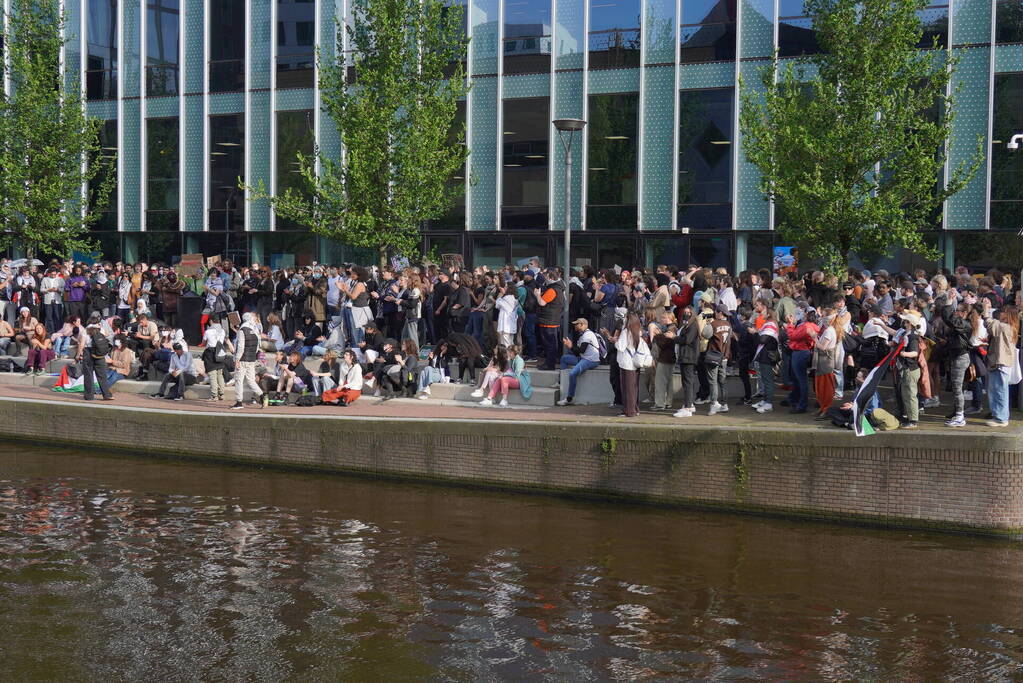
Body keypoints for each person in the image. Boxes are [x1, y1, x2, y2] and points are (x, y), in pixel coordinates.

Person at [982, 301, 1018, 428]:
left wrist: (986, 310)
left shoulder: (1005, 326)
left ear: (1008, 315)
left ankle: (1001, 418)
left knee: (999, 391)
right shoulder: (1009, 327)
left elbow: (991, 325)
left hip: (1000, 363)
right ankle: (1000, 415)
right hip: (1000, 362)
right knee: (997, 390)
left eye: (1004, 311)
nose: (1001, 313)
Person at [938, 291, 972, 428]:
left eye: (958, 311)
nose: (956, 312)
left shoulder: (965, 324)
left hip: (960, 358)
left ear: (964, 313)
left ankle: (960, 416)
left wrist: (948, 303)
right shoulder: (962, 324)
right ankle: (957, 413)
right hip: (956, 357)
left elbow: (948, 318)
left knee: (957, 388)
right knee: (956, 387)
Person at [556, 318, 601, 406]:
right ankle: (561, 381)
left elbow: (582, 350)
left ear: (582, 325)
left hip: (590, 360)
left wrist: (571, 346)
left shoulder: (587, 335)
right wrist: (571, 346)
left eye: (577, 324)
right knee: (564, 358)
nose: (575, 326)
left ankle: (569, 398)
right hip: (583, 358)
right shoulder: (583, 334)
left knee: (573, 373)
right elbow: (578, 352)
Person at [615, 313, 649, 418]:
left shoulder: (626, 332)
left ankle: (629, 411)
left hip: (626, 363)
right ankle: (634, 408)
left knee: (627, 388)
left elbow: (620, 347)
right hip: (635, 362)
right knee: (634, 388)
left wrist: (616, 339)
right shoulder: (638, 331)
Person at [534, 268, 566, 371]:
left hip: (549, 320)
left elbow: (542, 303)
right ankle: (549, 362)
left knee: (549, 344)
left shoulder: (552, 290)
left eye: (546, 277)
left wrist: (537, 295)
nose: (545, 279)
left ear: (551, 278)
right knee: (551, 343)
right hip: (552, 319)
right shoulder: (559, 288)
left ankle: (549, 364)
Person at [703, 304, 733, 415]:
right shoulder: (729, 324)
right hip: (724, 356)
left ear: (719, 313)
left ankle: (714, 404)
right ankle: (724, 404)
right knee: (722, 382)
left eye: (717, 312)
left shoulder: (713, 324)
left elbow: (704, 334)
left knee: (712, 382)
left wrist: (708, 323)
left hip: (714, 356)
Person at [232, 313, 265, 409]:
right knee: (251, 380)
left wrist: (237, 359)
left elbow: (241, 346)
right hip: (251, 359)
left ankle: (239, 402)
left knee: (239, 380)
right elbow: (257, 346)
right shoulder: (255, 330)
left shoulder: (243, 330)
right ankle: (262, 396)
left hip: (242, 359)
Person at [895, 313, 922, 429]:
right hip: (906, 369)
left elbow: (915, 352)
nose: (904, 323)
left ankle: (913, 420)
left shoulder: (912, 337)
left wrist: (903, 353)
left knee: (910, 395)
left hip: (910, 370)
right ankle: (908, 417)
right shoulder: (907, 334)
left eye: (905, 321)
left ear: (909, 324)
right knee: (906, 395)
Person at [78, 314, 114, 401]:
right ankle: (107, 395)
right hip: (99, 353)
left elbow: (82, 344)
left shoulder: (85, 331)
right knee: (102, 375)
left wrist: (78, 354)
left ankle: (89, 396)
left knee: (88, 375)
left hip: (88, 352)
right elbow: (107, 335)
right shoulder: (100, 329)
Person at [200, 326, 232, 402]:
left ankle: (214, 395)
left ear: (211, 321)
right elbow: (225, 340)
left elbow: (203, 343)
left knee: (212, 375)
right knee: (219, 374)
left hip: (210, 354)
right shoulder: (223, 331)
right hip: (220, 353)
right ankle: (221, 394)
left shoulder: (208, 331)